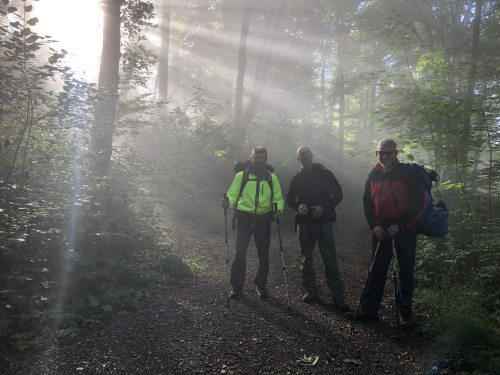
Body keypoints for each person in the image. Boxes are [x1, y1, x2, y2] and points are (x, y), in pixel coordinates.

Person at [347, 139, 426, 328]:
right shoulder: (374, 174)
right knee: (376, 269)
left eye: (389, 153)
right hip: (381, 229)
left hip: (404, 229)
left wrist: (401, 225)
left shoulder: (407, 173)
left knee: (405, 270)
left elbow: (419, 203)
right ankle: (369, 309)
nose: (385, 156)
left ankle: (405, 314)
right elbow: (367, 203)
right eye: (381, 153)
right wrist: (374, 226)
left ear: (396, 153)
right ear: (377, 154)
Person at [286, 146, 349, 312]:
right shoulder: (297, 178)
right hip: (304, 223)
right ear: (298, 158)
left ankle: (338, 297)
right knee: (306, 259)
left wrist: (324, 207)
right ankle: (311, 291)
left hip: (325, 221)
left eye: (306, 152)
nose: (304, 155)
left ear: (312, 155)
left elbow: (339, 194)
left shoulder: (325, 174)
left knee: (330, 260)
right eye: (301, 154)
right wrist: (298, 206)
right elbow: (290, 199)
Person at [221, 146, 284, 299]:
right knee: (239, 252)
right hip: (244, 218)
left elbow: (278, 198)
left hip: (263, 220)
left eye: (262, 158)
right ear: (252, 158)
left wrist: (279, 210)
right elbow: (232, 194)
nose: (259, 161)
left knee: (263, 254)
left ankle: (261, 286)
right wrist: (227, 203)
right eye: (257, 157)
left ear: (266, 161)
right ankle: (236, 287)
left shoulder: (271, 178)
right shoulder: (242, 176)